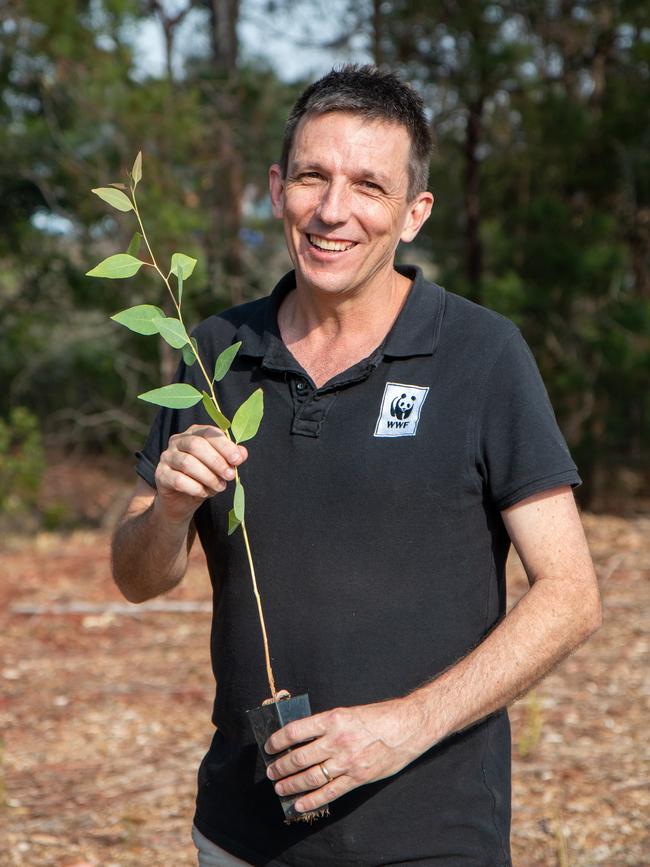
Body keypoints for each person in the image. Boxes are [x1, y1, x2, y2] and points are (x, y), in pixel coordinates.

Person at [112, 65, 602, 866]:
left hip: (429, 837)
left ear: (414, 213)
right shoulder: (213, 356)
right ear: (277, 189)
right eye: (313, 176)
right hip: (242, 834)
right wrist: (166, 511)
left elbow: (573, 595)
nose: (333, 210)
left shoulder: (482, 355)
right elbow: (136, 576)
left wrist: (405, 724)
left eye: (369, 186)